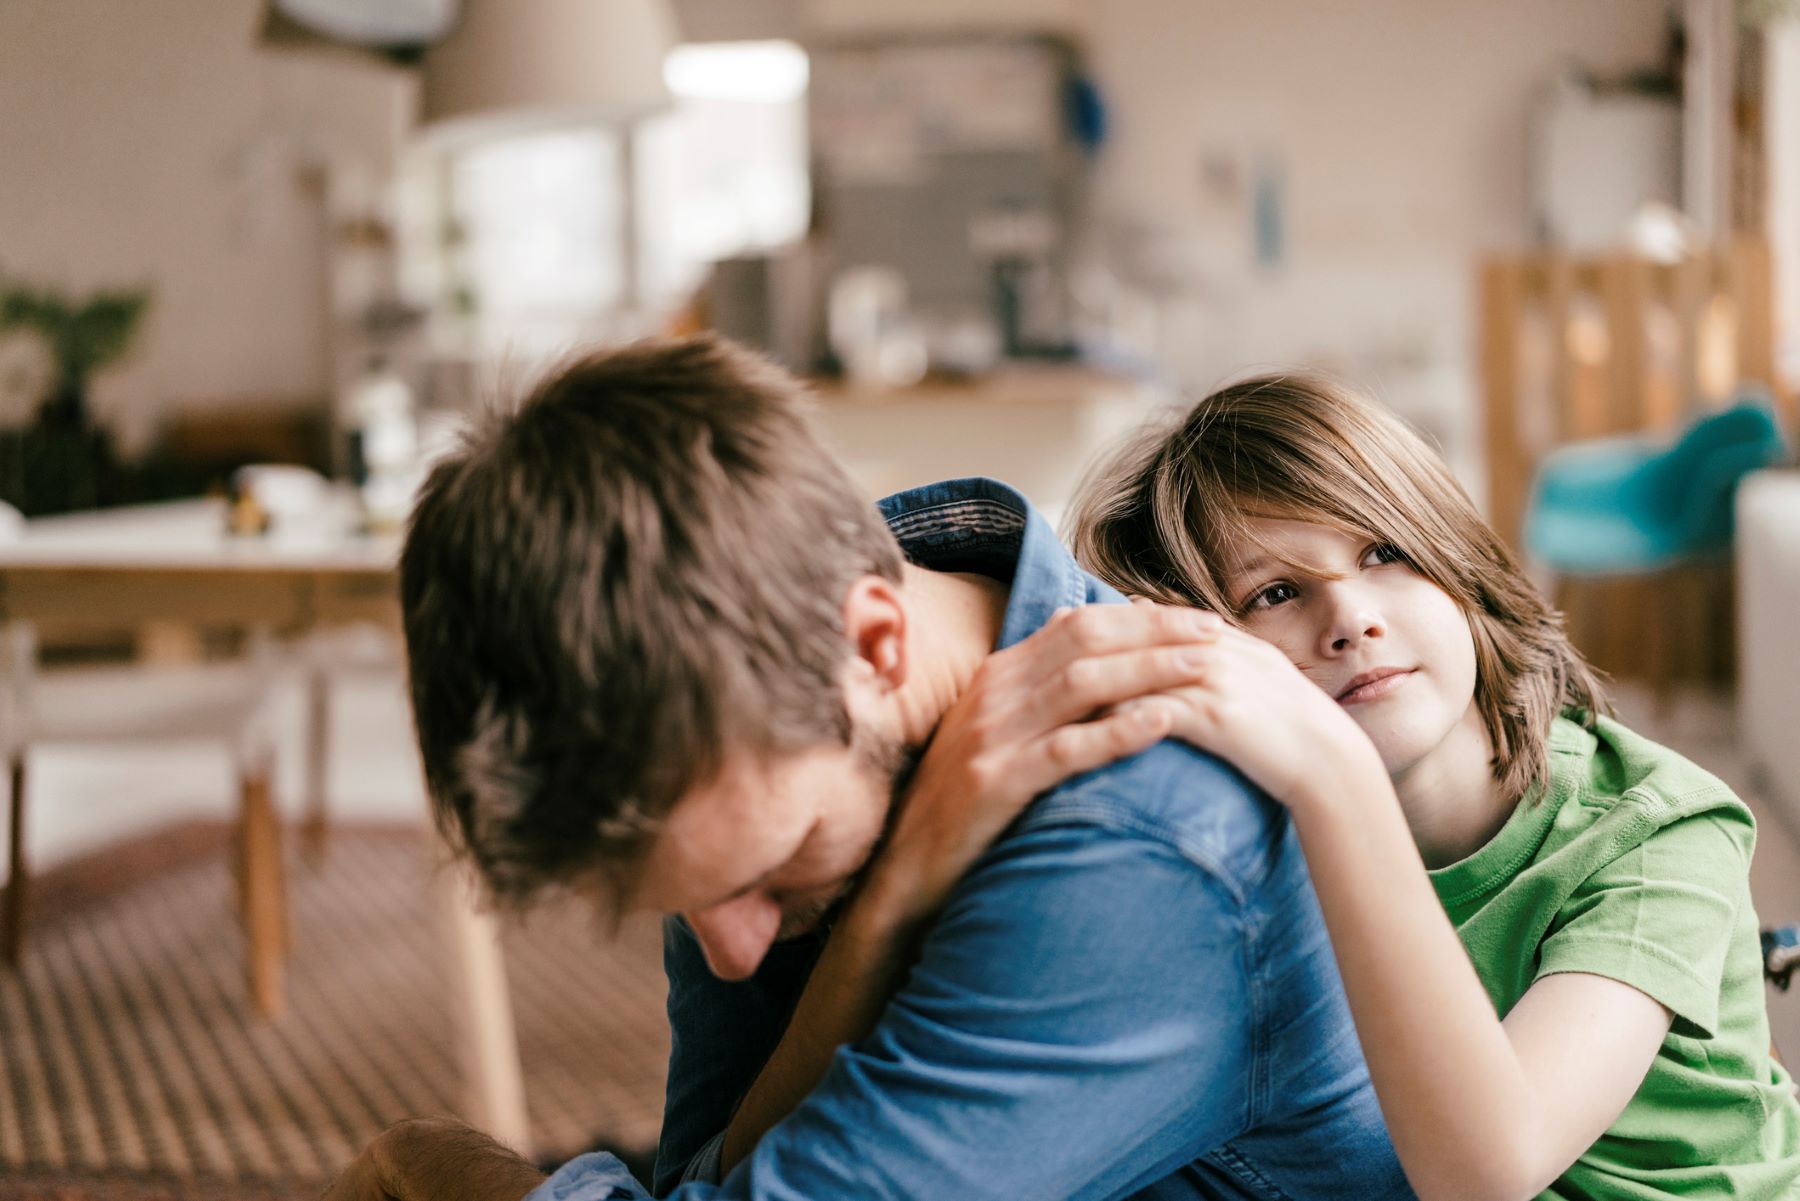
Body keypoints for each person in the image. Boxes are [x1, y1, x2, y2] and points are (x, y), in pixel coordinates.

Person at [323, 337, 1413, 1201]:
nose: (734, 948)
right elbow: (713, 1169)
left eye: (773, 866)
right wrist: (890, 896)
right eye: (689, 902)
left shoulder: (1145, 831)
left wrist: (427, 1159)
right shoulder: (726, 741)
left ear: (876, 643)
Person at [1039, 374, 1799, 1199]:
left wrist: (1330, 779)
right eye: (1276, 593)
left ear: (1456, 564)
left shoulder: (1654, 830)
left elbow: (1489, 1170)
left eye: (1382, 552)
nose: (1351, 618)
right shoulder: (1251, 835)